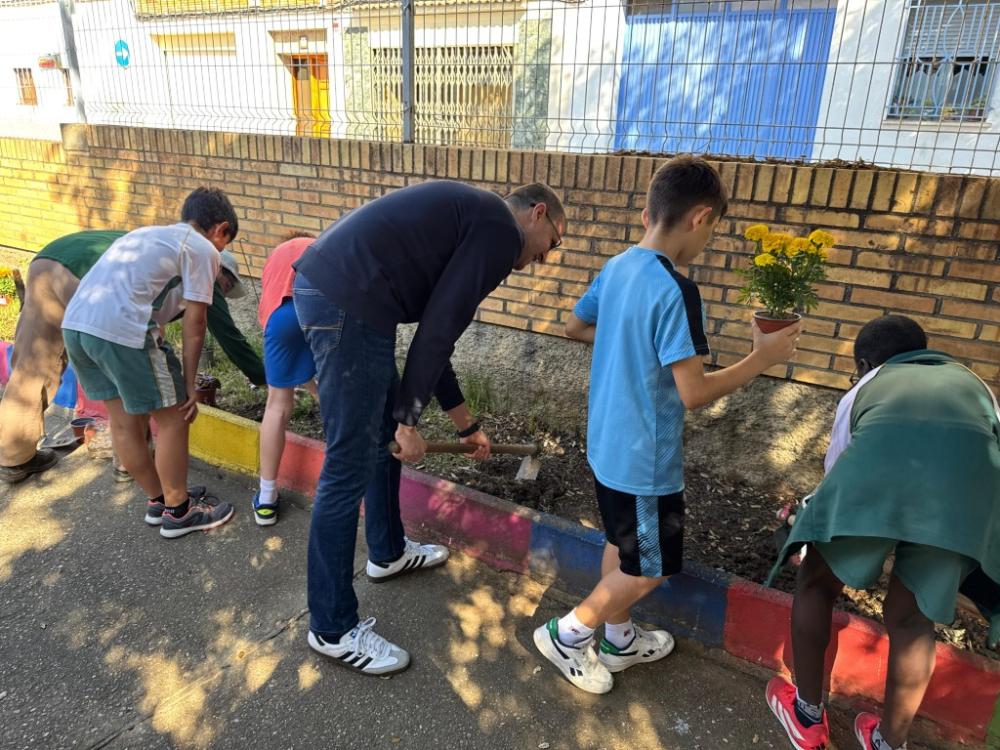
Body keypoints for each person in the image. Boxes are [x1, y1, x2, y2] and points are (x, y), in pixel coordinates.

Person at [535, 156, 799, 694]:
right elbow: (695, 393)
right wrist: (761, 359)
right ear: (701, 217)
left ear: (651, 210)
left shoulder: (618, 267)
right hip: (644, 458)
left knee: (621, 540)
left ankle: (619, 639)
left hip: (607, 444)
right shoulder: (676, 290)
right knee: (652, 566)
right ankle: (569, 634)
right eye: (716, 228)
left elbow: (574, 325)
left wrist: (625, 343)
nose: (709, 239)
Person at [291, 179, 566, 675]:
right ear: (537, 214)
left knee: (378, 446)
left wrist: (466, 425)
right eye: (554, 241)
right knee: (348, 465)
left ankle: (388, 551)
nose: (546, 256)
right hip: (346, 303)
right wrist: (407, 419)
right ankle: (331, 628)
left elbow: (439, 332)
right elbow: (437, 332)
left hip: (349, 299)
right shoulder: (500, 231)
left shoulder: (478, 218)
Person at [764, 314, 1000, 750]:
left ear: (866, 362)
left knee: (815, 582)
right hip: (964, 505)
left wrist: (807, 521)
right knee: (912, 619)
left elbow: (837, 474)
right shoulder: (977, 387)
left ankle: (807, 716)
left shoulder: (866, 386)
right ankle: (891, 743)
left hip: (876, 488)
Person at [0, 229, 265, 484]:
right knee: (130, 371)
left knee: (33, 367)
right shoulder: (205, 270)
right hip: (84, 275)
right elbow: (229, 337)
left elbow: (154, 314)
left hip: (49, 261)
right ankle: (129, 463)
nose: (223, 292)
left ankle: (14, 457)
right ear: (221, 270)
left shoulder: (166, 251)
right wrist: (265, 378)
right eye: (227, 285)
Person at [61, 187, 238, 539]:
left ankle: (160, 501)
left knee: (124, 424)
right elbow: (195, 323)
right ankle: (180, 512)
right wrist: (188, 385)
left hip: (77, 326)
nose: (222, 251)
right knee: (175, 418)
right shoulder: (202, 248)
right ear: (220, 229)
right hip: (124, 330)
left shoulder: (147, 234)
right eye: (225, 242)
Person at [252, 232, 319, 525]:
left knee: (277, 404)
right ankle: (348, 481)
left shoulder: (276, 255)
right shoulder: (320, 243)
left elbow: (268, 311)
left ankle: (266, 498)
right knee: (331, 392)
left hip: (280, 315)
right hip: (321, 309)